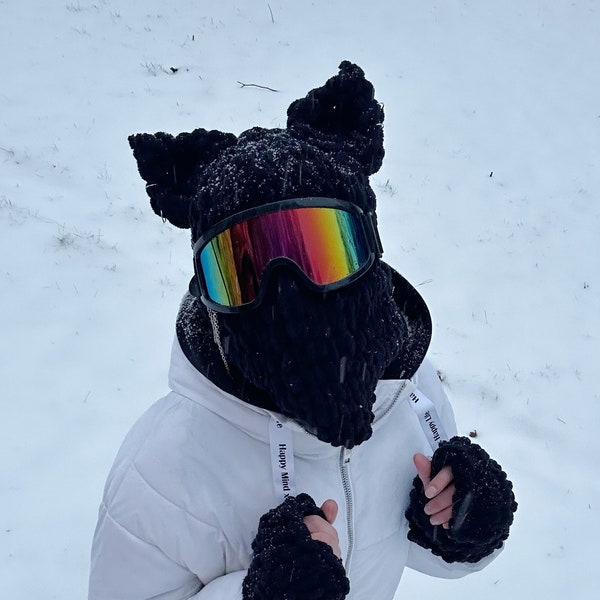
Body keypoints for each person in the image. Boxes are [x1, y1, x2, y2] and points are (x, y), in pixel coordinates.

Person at [88, 61, 517, 600]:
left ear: (370, 249)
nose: (291, 294)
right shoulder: (163, 471)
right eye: (244, 270)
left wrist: (461, 527)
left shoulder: (407, 395)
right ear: (208, 292)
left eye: (322, 249)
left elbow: (395, 541)